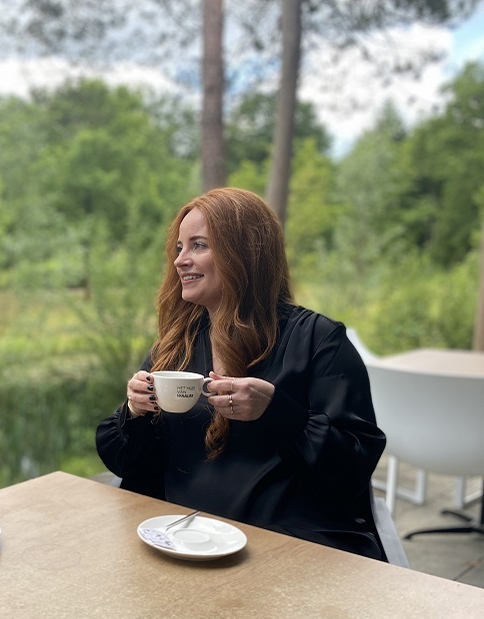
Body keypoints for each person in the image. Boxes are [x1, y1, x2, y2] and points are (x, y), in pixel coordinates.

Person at [95, 187, 387, 560]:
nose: (180, 261)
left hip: (287, 549)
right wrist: (133, 413)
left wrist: (279, 413)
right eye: (179, 248)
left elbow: (355, 466)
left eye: (199, 245)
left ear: (245, 251)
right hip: (183, 541)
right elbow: (128, 465)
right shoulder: (175, 345)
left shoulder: (318, 340)